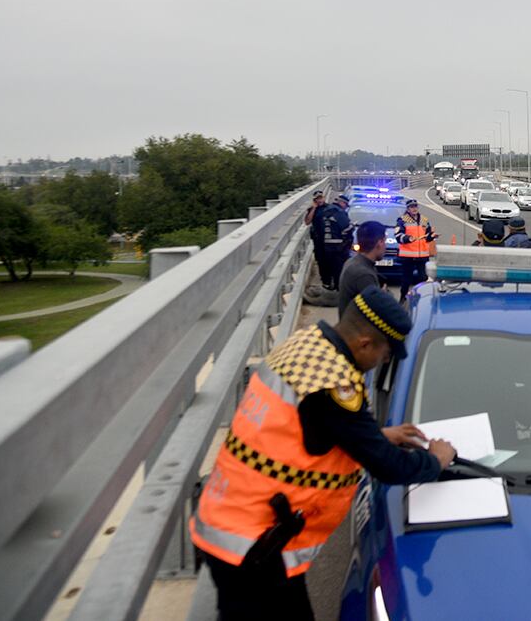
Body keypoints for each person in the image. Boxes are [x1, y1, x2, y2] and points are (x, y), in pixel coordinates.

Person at [191, 285, 457, 620]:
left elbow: (309, 427)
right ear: (364, 343)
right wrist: (435, 459)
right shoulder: (333, 384)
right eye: (384, 355)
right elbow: (388, 467)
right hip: (255, 545)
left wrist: (375, 434)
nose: (380, 363)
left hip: (235, 520)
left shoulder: (307, 345)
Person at [338, 221, 387, 318]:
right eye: (385, 241)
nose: (385, 246)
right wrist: (384, 296)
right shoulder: (364, 274)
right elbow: (379, 311)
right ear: (380, 243)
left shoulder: (353, 262)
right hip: (358, 331)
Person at [394, 199, 435, 298]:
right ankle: (403, 298)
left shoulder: (424, 220)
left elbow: (428, 236)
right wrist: (408, 238)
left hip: (422, 256)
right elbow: (398, 235)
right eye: (412, 207)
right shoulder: (402, 220)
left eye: (415, 206)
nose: (414, 208)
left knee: (423, 279)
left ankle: (421, 299)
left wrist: (432, 236)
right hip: (408, 256)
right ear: (408, 209)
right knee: (406, 280)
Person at [320, 194, 353, 289]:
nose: (346, 207)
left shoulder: (326, 210)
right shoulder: (338, 212)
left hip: (326, 244)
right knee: (339, 269)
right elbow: (347, 227)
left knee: (330, 268)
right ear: (342, 203)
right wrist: (352, 226)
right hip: (338, 245)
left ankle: (330, 285)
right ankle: (339, 290)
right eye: (346, 205)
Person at [303, 191, 333, 288]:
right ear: (314, 200)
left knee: (330, 260)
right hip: (318, 240)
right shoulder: (312, 209)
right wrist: (314, 208)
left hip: (329, 238)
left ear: (324, 198)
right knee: (321, 261)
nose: (320, 200)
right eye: (317, 199)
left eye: (321, 198)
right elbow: (307, 222)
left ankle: (331, 279)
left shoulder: (329, 208)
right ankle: (325, 281)